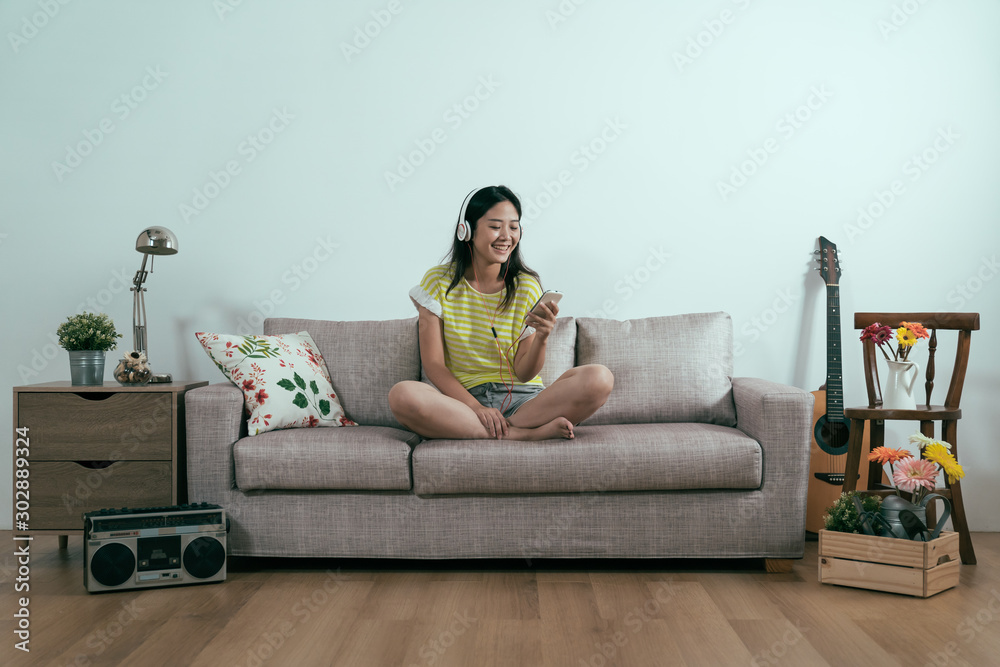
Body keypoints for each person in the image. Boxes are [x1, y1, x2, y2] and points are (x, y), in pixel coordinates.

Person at [388, 185, 614, 440]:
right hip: (463, 405)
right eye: (495, 226)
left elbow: (524, 372)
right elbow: (435, 365)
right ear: (467, 230)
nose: (506, 236)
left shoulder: (526, 287)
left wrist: (542, 336)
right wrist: (476, 408)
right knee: (402, 394)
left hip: (525, 403)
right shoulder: (437, 283)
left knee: (599, 378)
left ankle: (512, 426)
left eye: (514, 227)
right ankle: (521, 436)